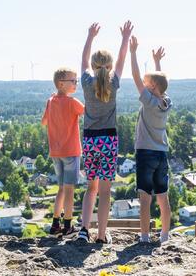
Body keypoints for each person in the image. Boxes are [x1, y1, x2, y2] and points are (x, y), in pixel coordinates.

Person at [76, 21, 133, 244]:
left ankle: (83, 230)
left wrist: (90, 36)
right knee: (106, 192)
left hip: (90, 140)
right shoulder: (114, 82)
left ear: (93, 65)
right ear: (109, 67)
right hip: (109, 139)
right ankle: (101, 235)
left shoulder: (86, 82)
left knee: (91, 188)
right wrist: (125, 38)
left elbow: (82, 60)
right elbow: (121, 60)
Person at [129, 35, 172, 243]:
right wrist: (157, 62)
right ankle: (165, 235)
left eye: (148, 84)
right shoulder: (166, 101)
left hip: (145, 152)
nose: (143, 85)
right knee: (163, 196)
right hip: (161, 153)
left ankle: (145, 237)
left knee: (145, 197)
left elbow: (137, 77)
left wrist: (133, 53)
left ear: (152, 88)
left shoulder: (148, 101)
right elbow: (160, 83)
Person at [41, 67, 84, 237]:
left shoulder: (50, 101)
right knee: (69, 190)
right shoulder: (73, 102)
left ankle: (55, 224)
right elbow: (89, 112)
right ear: (61, 83)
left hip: (55, 152)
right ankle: (68, 226)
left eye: (76, 81)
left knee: (60, 189)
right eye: (73, 81)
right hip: (71, 151)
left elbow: (44, 122)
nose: (76, 84)